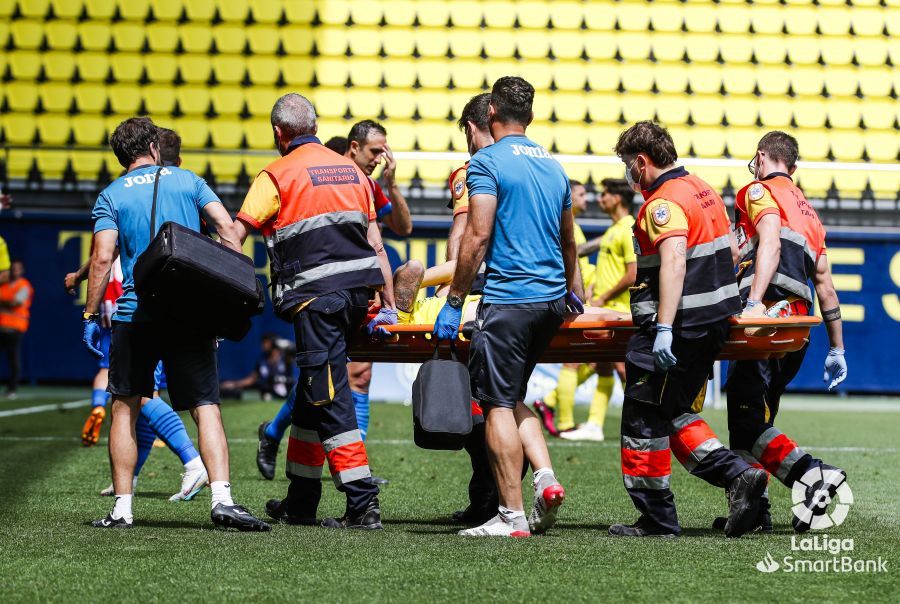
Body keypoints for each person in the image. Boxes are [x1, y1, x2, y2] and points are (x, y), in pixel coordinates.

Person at [83, 117, 269, 530]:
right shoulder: (189, 181)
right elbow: (227, 230)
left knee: (125, 408)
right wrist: (229, 289)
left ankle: (123, 509)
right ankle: (222, 499)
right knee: (205, 406)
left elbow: (101, 257)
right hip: (190, 313)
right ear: (153, 146)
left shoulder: (110, 195)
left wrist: (90, 312)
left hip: (135, 314)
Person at [233, 93, 395, 530]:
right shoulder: (353, 171)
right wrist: (387, 302)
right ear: (317, 125)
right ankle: (301, 500)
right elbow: (375, 242)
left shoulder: (276, 174)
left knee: (329, 399)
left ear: (277, 133)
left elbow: (237, 234)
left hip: (315, 301)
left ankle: (362, 502)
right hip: (357, 298)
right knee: (310, 397)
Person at [433, 76, 582, 538]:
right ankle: (545, 478)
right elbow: (568, 240)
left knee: (496, 402)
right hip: (550, 301)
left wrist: (454, 300)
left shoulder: (486, 162)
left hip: (510, 300)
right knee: (513, 394)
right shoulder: (554, 167)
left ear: (491, 112)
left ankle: (511, 516)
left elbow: (477, 235)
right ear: (532, 116)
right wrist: (574, 293)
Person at [609, 121, 766, 538]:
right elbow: (733, 251)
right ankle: (739, 476)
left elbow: (674, 260)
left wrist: (663, 327)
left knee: (643, 418)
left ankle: (658, 518)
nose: (628, 172)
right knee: (675, 411)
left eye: (628, 164)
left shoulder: (663, 202)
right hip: (710, 325)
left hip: (677, 329)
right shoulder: (703, 189)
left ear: (641, 162)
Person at [721, 131, 848, 534]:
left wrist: (754, 301)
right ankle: (755, 512)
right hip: (798, 327)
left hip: (766, 320)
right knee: (758, 416)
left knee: (744, 420)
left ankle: (813, 476)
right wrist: (837, 348)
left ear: (761, 157)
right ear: (792, 167)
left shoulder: (755, 192)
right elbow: (824, 284)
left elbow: (766, 247)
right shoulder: (811, 214)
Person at [535, 178, 637, 442]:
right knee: (603, 367)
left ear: (617, 198)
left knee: (601, 366)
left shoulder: (626, 229)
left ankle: (567, 421)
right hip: (605, 307)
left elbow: (632, 272)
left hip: (616, 310)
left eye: (604, 195)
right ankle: (594, 424)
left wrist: (601, 296)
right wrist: (593, 292)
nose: (598, 199)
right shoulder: (615, 229)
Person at [344, 119, 413, 447]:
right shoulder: (340, 179)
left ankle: (356, 463)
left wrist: (392, 183)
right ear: (354, 147)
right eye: (375, 151)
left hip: (364, 289)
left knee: (360, 374)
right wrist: (388, 302)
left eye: (384, 152)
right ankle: (274, 435)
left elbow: (403, 227)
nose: (379, 158)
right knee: (323, 380)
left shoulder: (370, 186)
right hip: (340, 288)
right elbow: (376, 245)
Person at [220, 333, 295, 400]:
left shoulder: (285, 358)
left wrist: (285, 345)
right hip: (266, 391)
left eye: (265, 343)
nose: (263, 346)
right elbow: (252, 379)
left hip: (285, 391)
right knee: (238, 391)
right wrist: (234, 384)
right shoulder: (262, 361)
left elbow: (293, 353)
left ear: (273, 343)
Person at [0, 260, 33, 398]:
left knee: (13, 359)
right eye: (13, 268)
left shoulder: (24, 286)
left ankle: (12, 389)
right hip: (1, 327)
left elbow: (16, 303)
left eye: (18, 269)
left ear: (22, 270)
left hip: (15, 328)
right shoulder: (3, 285)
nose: (15, 271)